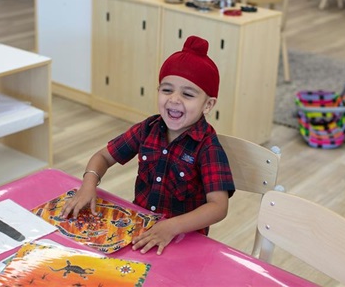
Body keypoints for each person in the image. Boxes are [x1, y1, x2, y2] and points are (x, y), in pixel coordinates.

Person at [61, 35, 235, 255]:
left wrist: (172, 226)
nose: (174, 99)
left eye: (188, 94)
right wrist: (88, 184)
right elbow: (103, 157)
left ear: (208, 104)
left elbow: (218, 207)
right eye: (166, 90)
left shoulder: (208, 147)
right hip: (141, 231)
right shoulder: (148, 129)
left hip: (184, 240)